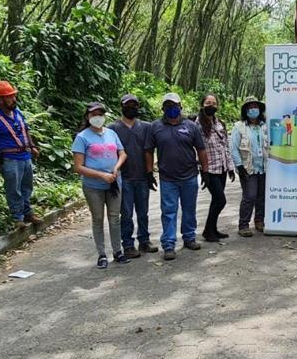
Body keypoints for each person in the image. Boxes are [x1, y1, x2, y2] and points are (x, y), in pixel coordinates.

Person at [145, 92, 208, 261]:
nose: (171, 109)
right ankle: (169, 244)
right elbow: (149, 150)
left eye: (174, 105)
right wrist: (149, 172)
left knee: (189, 209)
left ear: (180, 106)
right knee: (169, 211)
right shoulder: (155, 126)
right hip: (168, 178)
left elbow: (201, 149)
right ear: (163, 108)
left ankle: (189, 238)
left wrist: (205, 171)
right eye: (167, 106)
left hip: (189, 176)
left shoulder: (191, 126)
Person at [72, 102, 128, 269]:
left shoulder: (111, 133)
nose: (97, 117)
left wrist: (116, 168)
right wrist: (101, 175)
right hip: (93, 186)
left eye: (100, 114)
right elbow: (78, 167)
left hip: (114, 183)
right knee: (97, 219)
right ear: (87, 117)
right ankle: (101, 253)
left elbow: (122, 153)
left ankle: (118, 251)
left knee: (115, 218)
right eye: (93, 114)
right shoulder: (82, 137)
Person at [0, 80, 42, 227]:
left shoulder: (17, 112)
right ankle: (18, 217)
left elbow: (25, 130)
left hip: (25, 155)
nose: (13, 99)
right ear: (0, 99)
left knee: (26, 186)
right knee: (13, 188)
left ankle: (28, 213)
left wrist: (32, 146)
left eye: (13, 96)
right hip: (9, 158)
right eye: (9, 97)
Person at [109, 94, 157, 258]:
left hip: (142, 176)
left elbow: (149, 151)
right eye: (128, 105)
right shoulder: (112, 128)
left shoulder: (146, 127)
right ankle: (128, 245)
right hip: (124, 177)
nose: (132, 107)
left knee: (143, 212)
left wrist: (150, 173)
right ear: (121, 106)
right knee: (127, 213)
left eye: (134, 105)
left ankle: (144, 241)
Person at [195, 94, 236, 242]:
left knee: (216, 200)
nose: (211, 105)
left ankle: (212, 229)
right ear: (202, 104)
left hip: (222, 167)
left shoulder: (221, 123)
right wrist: (202, 170)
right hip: (209, 169)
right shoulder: (197, 124)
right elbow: (197, 148)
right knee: (220, 200)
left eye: (213, 103)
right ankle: (207, 230)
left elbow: (225, 146)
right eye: (207, 102)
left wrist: (230, 167)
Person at [231, 96, 269, 237]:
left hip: (264, 167)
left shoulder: (265, 125)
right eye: (250, 107)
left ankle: (259, 221)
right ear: (245, 110)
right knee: (249, 196)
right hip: (248, 168)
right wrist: (239, 167)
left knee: (261, 196)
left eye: (255, 107)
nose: (253, 109)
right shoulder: (239, 127)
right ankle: (243, 225)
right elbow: (234, 148)